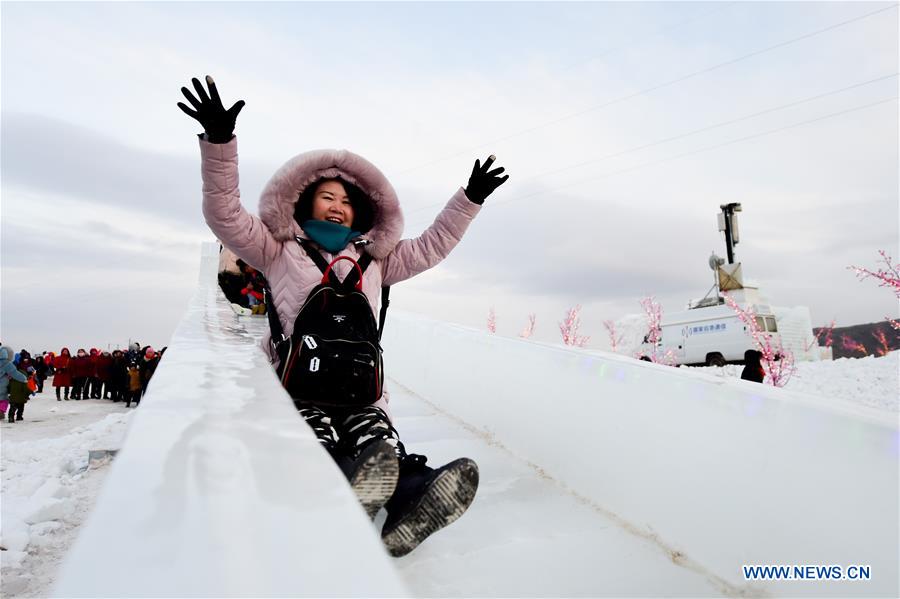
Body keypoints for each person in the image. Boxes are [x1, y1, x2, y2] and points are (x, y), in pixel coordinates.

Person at [179, 75, 508, 557]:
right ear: (307, 201)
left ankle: (409, 497)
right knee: (314, 432)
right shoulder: (277, 249)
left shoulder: (378, 260)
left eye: (348, 201)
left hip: (360, 381)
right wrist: (219, 144)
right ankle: (337, 476)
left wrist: (469, 199)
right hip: (298, 379)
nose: (338, 206)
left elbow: (434, 245)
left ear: (362, 214)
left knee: (377, 437)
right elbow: (225, 215)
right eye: (328, 197)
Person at [1, 346, 30, 419]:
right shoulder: (6, 363)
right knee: (3, 399)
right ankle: (1, 412)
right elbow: (15, 373)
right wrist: (24, 379)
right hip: (2, 386)